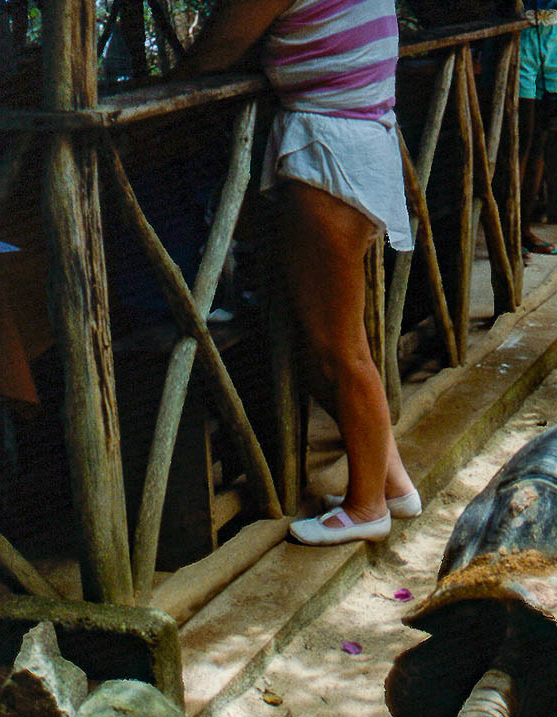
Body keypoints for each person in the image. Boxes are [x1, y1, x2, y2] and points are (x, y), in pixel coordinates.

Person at [177, 0, 418, 546]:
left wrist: (170, 87)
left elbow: (217, 48)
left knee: (340, 348)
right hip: (355, 136)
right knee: (337, 343)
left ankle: (367, 508)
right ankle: (392, 485)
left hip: (331, 145)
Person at [518, 0, 557, 256]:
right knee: (521, 140)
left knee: (541, 140)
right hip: (519, 31)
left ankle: (523, 228)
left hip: (554, 33)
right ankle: (507, 232)